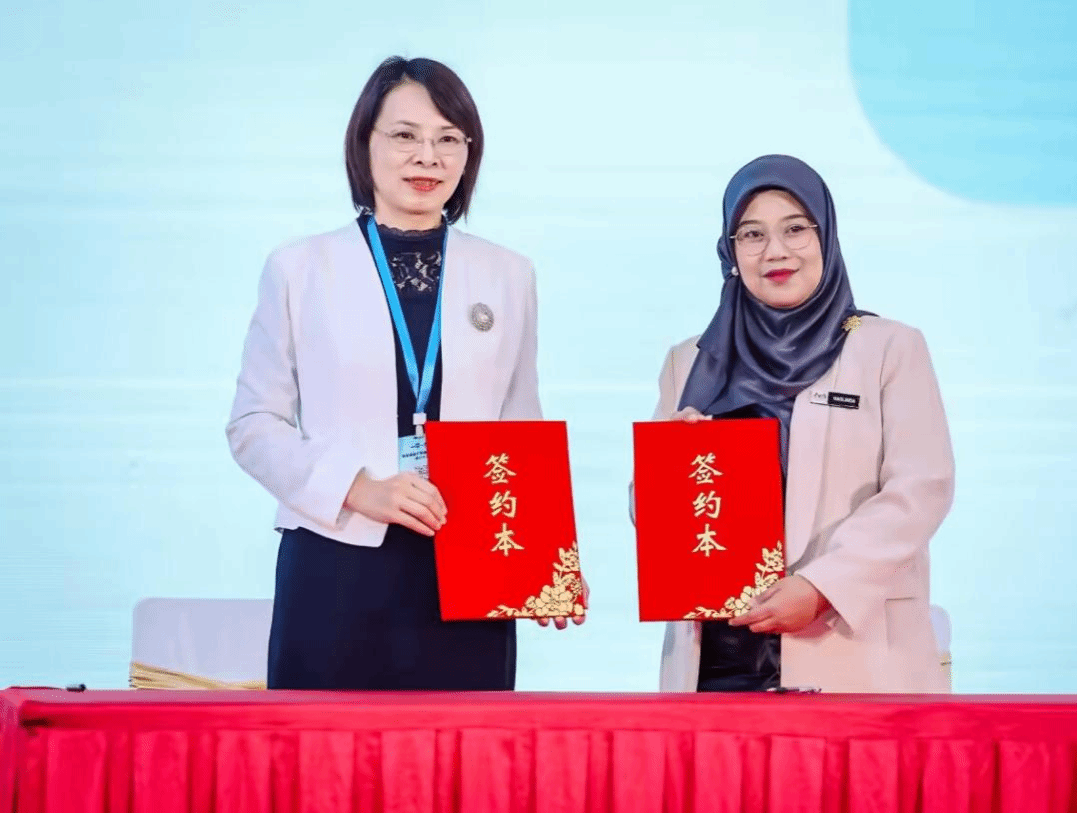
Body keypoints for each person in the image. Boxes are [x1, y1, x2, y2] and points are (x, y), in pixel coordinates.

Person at [226, 56, 577, 691]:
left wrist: (539, 562)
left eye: (449, 139)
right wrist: (356, 487)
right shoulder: (300, 268)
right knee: (326, 753)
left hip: (471, 567)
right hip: (335, 559)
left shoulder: (509, 273)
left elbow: (519, 425)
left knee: (463, 753)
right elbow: (253, 425)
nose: (428, 157)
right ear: (364, 144)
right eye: (405, 135)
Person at [648, 155, 954, 693]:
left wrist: (820, 587)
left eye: (795, 229)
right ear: (730, 251)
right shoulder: (690, 361)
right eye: (752, 234)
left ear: (825, 236)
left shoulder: (887, 348)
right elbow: (649, 515)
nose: (775, 251)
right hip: (717, 661)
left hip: (849, 649)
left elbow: (919, 490)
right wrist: (668, 474)